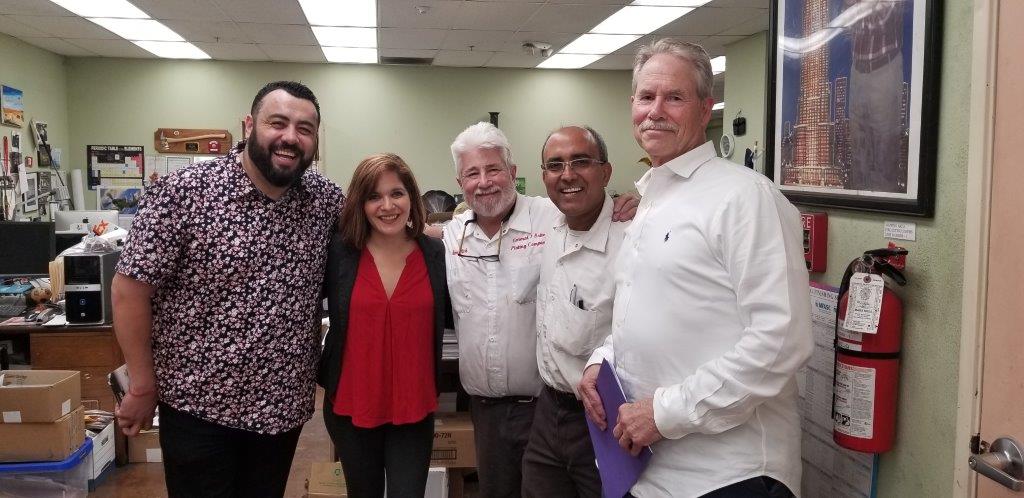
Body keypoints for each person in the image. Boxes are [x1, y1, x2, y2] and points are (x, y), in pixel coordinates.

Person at [579, 38, 813, 498]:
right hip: (647, 471)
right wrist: (600, 362)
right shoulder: (652, 199)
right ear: (632, 105)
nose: (655, 111)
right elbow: (644, 312)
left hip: (728, 476)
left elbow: (782, 339)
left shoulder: (745, 197)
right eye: (646, 97)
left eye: (675, 97)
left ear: (706, 109)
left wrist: (665, 413)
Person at [111, 81, 345, 498]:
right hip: (198, 407)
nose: (291, 137)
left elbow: (381, 234)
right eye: (278, 123)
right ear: (249, 125)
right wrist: (142, 385)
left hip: (281, 409)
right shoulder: (184, 192)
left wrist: (446, 234)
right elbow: (129, 290)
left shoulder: (325, 201)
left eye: (305, 129)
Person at [443, 122, 637, 498]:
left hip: (553, 405)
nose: (484, 182)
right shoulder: (453, 235)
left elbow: (593, 206)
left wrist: (635, 204)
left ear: (513, 172)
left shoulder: (552, 216)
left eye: (494, 169)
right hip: (489, 412)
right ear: (459, 182)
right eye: (472, 173)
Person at [317, 153, 451, 498]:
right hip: (352, 407)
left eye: (397, 193)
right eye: (374, 196)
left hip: (414, 408)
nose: (387, 206)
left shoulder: (436, 254)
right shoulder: (339, 254)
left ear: (412, 197)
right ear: (360, 203)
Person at [521, 125, 625, 498]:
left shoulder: (632, 239)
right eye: (555, 165)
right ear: (544, 176)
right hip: (549, 410)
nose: (567, 175)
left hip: (605, 418)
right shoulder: (548, 225)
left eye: (581, 161)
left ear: (605, 172)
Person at [846, 0, 905, 192]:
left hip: (884, 69)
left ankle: (884, 203)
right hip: (858, 70)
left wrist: (854, 9)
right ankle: (859, 203)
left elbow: (878, 22)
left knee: (884, 154)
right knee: (858, 151)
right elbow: (847, 22)